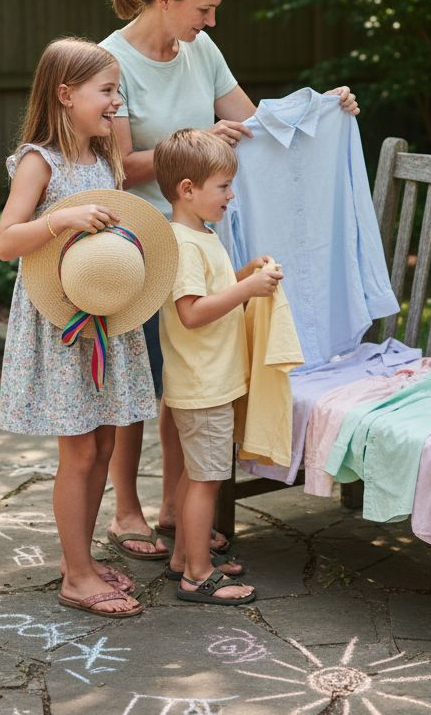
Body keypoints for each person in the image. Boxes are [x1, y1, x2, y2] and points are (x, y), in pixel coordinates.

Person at [100, 0, 360, 560]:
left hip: (197, 242)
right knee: (139, 385)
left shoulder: (201, 52)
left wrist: (324, 110)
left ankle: (173, 507)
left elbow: (255, 125)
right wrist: (190, 143)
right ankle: (127, 510)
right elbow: (119, 167)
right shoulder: (113, 60)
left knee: (182, 382)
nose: (211, 22)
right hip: (141, 245)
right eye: (204, 9)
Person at [0, 38, 169, 618]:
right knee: (78, 449)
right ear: (66, 95)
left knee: (105, 441)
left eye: (117, 91)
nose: (117, 102)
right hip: (61, 320)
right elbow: (6, 241)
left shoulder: (104, 159)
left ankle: (88, 560)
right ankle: (74, 574)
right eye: (108, 91)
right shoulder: (39, 160)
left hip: (105, 317)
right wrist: (60, 217)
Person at [154, 128, 279, 604]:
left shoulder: (200, 236)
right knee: (207, 478)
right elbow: (191, 312)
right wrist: (247, 291)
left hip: (206, 382)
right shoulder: (184, 244)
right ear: (188, 190)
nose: (232, 195)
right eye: (223, 187)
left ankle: (184, 558)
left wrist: (244, 274)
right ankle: (199, 576)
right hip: (203, 386)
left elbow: (210, 293)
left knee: (194, 474)